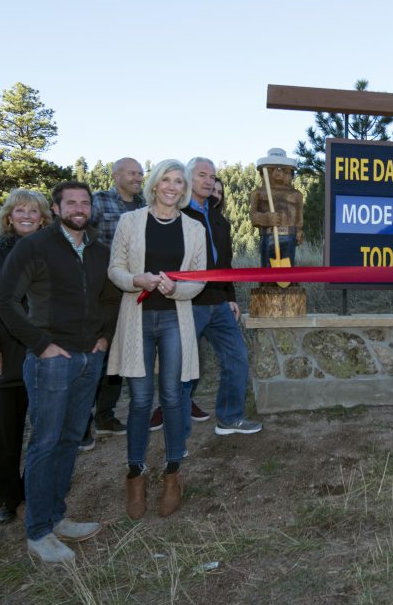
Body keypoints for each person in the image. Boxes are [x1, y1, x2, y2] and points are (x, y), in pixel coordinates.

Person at [0, 180, 119, 564]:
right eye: (72, 203)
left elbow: (111, 298)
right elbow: (4, 300)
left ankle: (56, 517)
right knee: (45, 443)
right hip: (51, 361)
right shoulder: (35, 246)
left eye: (85, 202)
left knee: (69, 440)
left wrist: (105, 337)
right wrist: (41, 344)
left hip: (89, 359)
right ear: (58, 207)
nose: (79, 208)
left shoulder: (99, 250)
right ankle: (37, 532)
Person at [107, 159, 206, 519]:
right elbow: (115, 268)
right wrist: (137, 280)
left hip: (174, 321)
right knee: (139, 400)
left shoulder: (195, 228)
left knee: (174, 396)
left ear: (184, 189)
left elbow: (200, 279)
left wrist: (176, 288)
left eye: (179, 181)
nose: (172, 186)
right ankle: (135, 475)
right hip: (137, 319)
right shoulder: (129, 221)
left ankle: (172, 473)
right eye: (166, 179)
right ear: (155, 183)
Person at [0, 188, 51, 525]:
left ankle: (38, 488)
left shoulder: (53, 251)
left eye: (33, 210)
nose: (27, 216)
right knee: (5, 431)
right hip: (7, 354)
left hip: (48, 353)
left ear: (43, 217)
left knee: (47, 429)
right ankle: (3, 497)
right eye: (20, 211)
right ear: (9, 217)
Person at [180, 162, 261, 437]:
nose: (208, 181)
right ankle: (175, 424)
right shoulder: (176, 214)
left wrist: (231, 297)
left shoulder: (219, 220)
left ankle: (229, 418)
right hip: (186, 303)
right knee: (184, 367)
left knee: (236, 357)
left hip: (219, 304)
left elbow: (225, 263)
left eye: (212, 176)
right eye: (202, 175)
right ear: (187, 177)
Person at [82, 157, 146, 448]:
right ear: (116, 174)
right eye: (132, 173)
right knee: (96, 352)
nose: (137, 178)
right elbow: (80, 237)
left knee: (119, 355)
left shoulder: (146, 204)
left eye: (140, 173)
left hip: (136, 290)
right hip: (103, 291)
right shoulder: (98, 202)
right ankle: (81, 424)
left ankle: (105, 416)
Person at [250, 148, 304, 268]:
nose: (278, 173)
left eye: (283, 170)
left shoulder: (296, 195)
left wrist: (299, 231)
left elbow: (299, 216)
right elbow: (253, 217)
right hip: (268, 235)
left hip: (289, 235)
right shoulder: (258, 193)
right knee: (267, 267)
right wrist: (264, 218)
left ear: (291, 174)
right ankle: (266, 284)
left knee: (287, 267)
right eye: (272, 169)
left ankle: (288, 284)